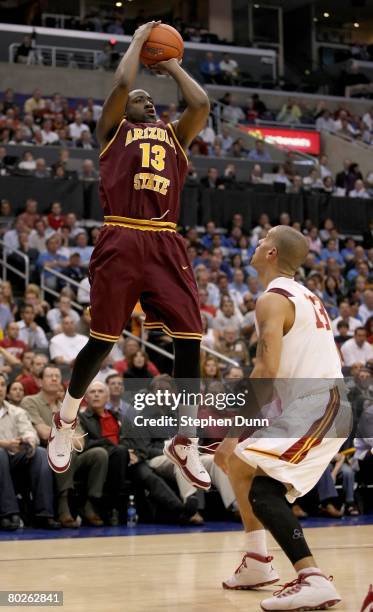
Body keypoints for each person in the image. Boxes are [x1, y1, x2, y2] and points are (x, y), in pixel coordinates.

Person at [47, 21, 211, 492]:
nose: (147, 100)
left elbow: (200, 104)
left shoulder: (175, 136)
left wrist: (172, 62)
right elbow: (122, 83)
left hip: (164, 238)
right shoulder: (112, 132)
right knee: (103, 338)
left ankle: (186, 438)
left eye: (150, 98)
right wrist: (141, 42)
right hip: (121, 235)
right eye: (141, 99)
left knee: (190, 337)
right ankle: (66, 418)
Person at [215, 226, 349, 608]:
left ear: (271, 253)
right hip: (310, 403)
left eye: (261, 240)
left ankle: (313, 577)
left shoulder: (272, 299)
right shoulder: (305, 295)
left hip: (321, 404)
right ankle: (257, 562)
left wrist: (232, 432)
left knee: (258, 485)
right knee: (240, 467)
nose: (255, 244)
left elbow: (266, 371)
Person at [0, 373, 60, 530]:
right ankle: (8, 513)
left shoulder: (16, 412)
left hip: (15, 457)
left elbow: (29, 432)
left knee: (40, 452)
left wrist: (27, 443)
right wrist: (4, 444)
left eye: (1, 385)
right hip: (2, 456)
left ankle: (44, 514)